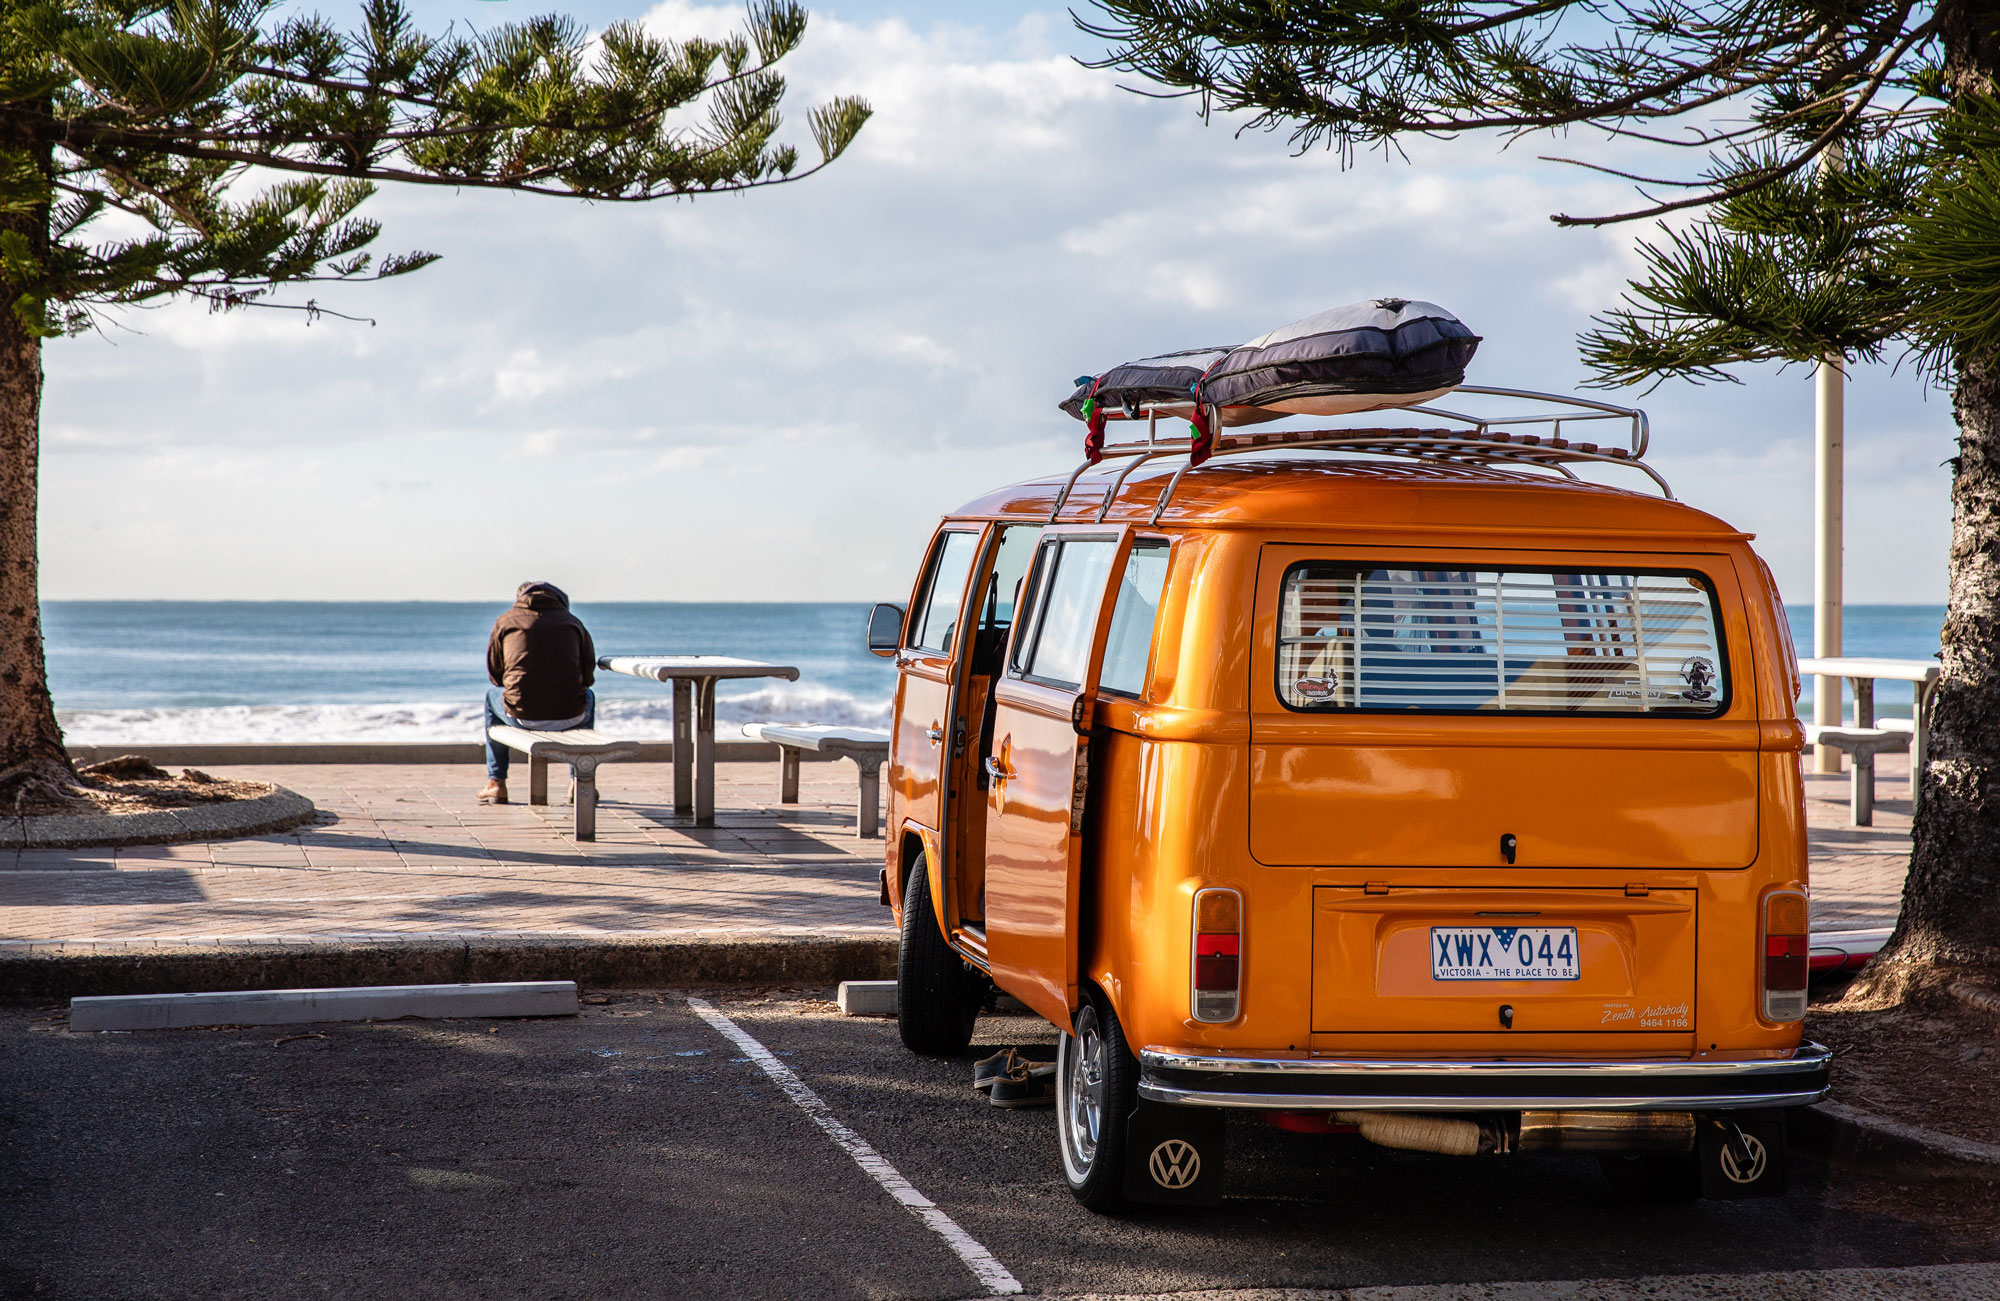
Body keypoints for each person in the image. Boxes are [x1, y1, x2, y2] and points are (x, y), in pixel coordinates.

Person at [480, 581, 596, 804]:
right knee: (588, 697)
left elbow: (495, 676)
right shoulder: (574, 623)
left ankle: (496, 783)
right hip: (570, 716)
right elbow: (588, 676)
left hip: (522, 715)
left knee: (490, 697)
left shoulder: (506, 621)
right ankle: (578, 780)